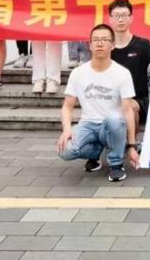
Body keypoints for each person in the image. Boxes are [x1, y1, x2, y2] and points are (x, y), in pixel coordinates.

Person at [57, 24, 139, 183]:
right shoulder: (78, 73)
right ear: (90, 45)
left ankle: (116, 163)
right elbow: (67, 107)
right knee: (65, 150)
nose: (100, 43)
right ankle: (95, 152)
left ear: (113, 45)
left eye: (104, 40)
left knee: (114, 119)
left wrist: (132, 146)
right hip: (88, 124)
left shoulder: (122, 73)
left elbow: (128, 110)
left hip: (111, 125)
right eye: (95, 40)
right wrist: (66, 130)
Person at [108, 0, 150, 134]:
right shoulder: (105, 47)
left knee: (128, 107)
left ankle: (130, 142)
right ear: (110, 19)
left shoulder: (143, 45)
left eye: (124, 15)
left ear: (131, 18)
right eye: (117, 16)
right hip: (110, 99)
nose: (120, 19)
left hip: (137, 100)